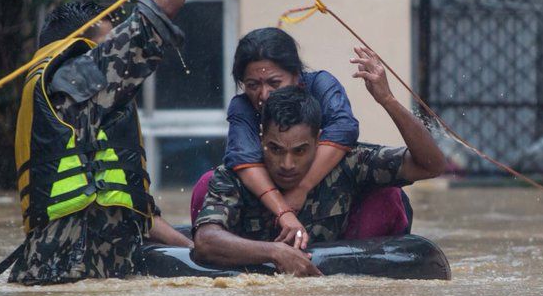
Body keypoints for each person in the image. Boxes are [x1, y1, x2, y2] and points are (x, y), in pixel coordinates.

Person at [0, 0, 237, 285]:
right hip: (71, 277)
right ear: (83, 43)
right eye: (109, 40)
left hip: (88, 273)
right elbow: (152, 21)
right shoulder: (70, 81)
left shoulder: (73, 95)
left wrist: (196, 253)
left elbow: (131, 211)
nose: (116, 50)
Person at [192, 47, 447, 276]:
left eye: (300, 151)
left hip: (344, 279)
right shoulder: (236, 176)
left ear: (319, 141)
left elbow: (431, 165)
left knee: (389, 194)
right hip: (259, 275)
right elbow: (206, 241)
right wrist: (274, 252)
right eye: (275, 149)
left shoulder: (347, 162)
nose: (287, 164)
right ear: (260, 141)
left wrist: (388, 101)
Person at [189, 27, 412, 248]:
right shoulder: (242, 106)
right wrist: (283, 210)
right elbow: (242, 158)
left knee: (388, 192)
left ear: (297, 78)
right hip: (273, 197)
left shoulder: (320, 84)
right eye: (253, 85)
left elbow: (344, 129)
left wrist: (301, 188)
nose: (264, 95)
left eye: (274, 83)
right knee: (206, 184)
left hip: (328, 189)